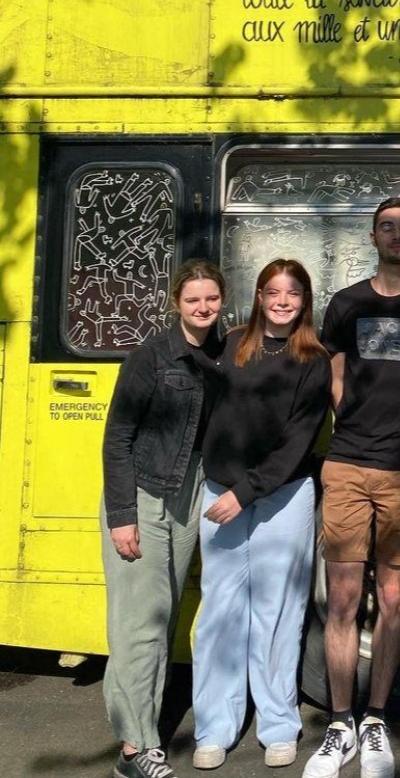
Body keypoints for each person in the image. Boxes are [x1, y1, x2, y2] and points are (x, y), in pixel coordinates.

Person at [302, 198, 400, 778]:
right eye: (386, 227)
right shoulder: (346, 303)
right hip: (347, 464)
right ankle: (340, 722)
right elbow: (335, 374)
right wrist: (357, 422)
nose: (396, 235)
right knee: (343, 601)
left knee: (394, 600)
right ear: (373, 237)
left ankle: (375, 720)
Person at [192, 259, 331, 770]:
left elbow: (298, 441)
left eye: (292, 293)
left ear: (305, 300)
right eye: (273, 291)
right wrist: (221, 483)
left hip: (282, 496)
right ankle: (214, 727)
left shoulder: (314, 359)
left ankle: (277, 725)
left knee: (278, 613)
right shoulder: (230, 345)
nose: (282, 301)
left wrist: (245, 492)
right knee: (220, 611)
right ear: (258, 296)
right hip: (221, 492)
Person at [100, 259, 226, 778]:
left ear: (222, 300)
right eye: (193, 299)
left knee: (164, 616)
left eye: (211, 298)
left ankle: (142, 737)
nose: (203, 307)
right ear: (177, 303)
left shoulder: (221, 355)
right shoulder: (150, 357)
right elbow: (117, 439)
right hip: (144, 492)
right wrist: (122, 516)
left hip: (189, 493)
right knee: (140, 626)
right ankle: (136, 750)